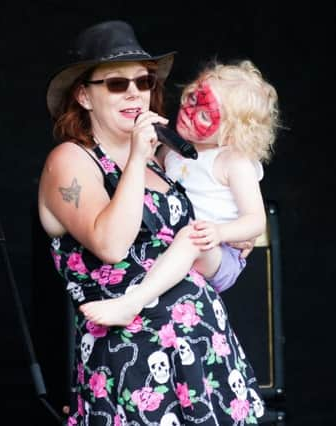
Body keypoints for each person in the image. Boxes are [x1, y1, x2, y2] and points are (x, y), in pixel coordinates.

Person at [38, 20, 265, 425]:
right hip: (132, 356)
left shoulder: (164, 161)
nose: (134, 94)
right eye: (116, 84)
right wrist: (137, 160)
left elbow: (202, 230)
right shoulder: (72, 161)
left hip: (202, 343)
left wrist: (229, 234)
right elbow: (111, 245)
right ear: (84, 95)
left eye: (143, 83)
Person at [80, 59, 279, 329]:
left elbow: (256, 221)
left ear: (234, 130)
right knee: (187, 238)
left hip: (219, 253)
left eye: (206, 114)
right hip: (180, 249)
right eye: (191, 99)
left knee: (191, 237)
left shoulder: (234, 161)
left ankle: (132, 303)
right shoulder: (170, 151)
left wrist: (221, 232)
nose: (189, 112)